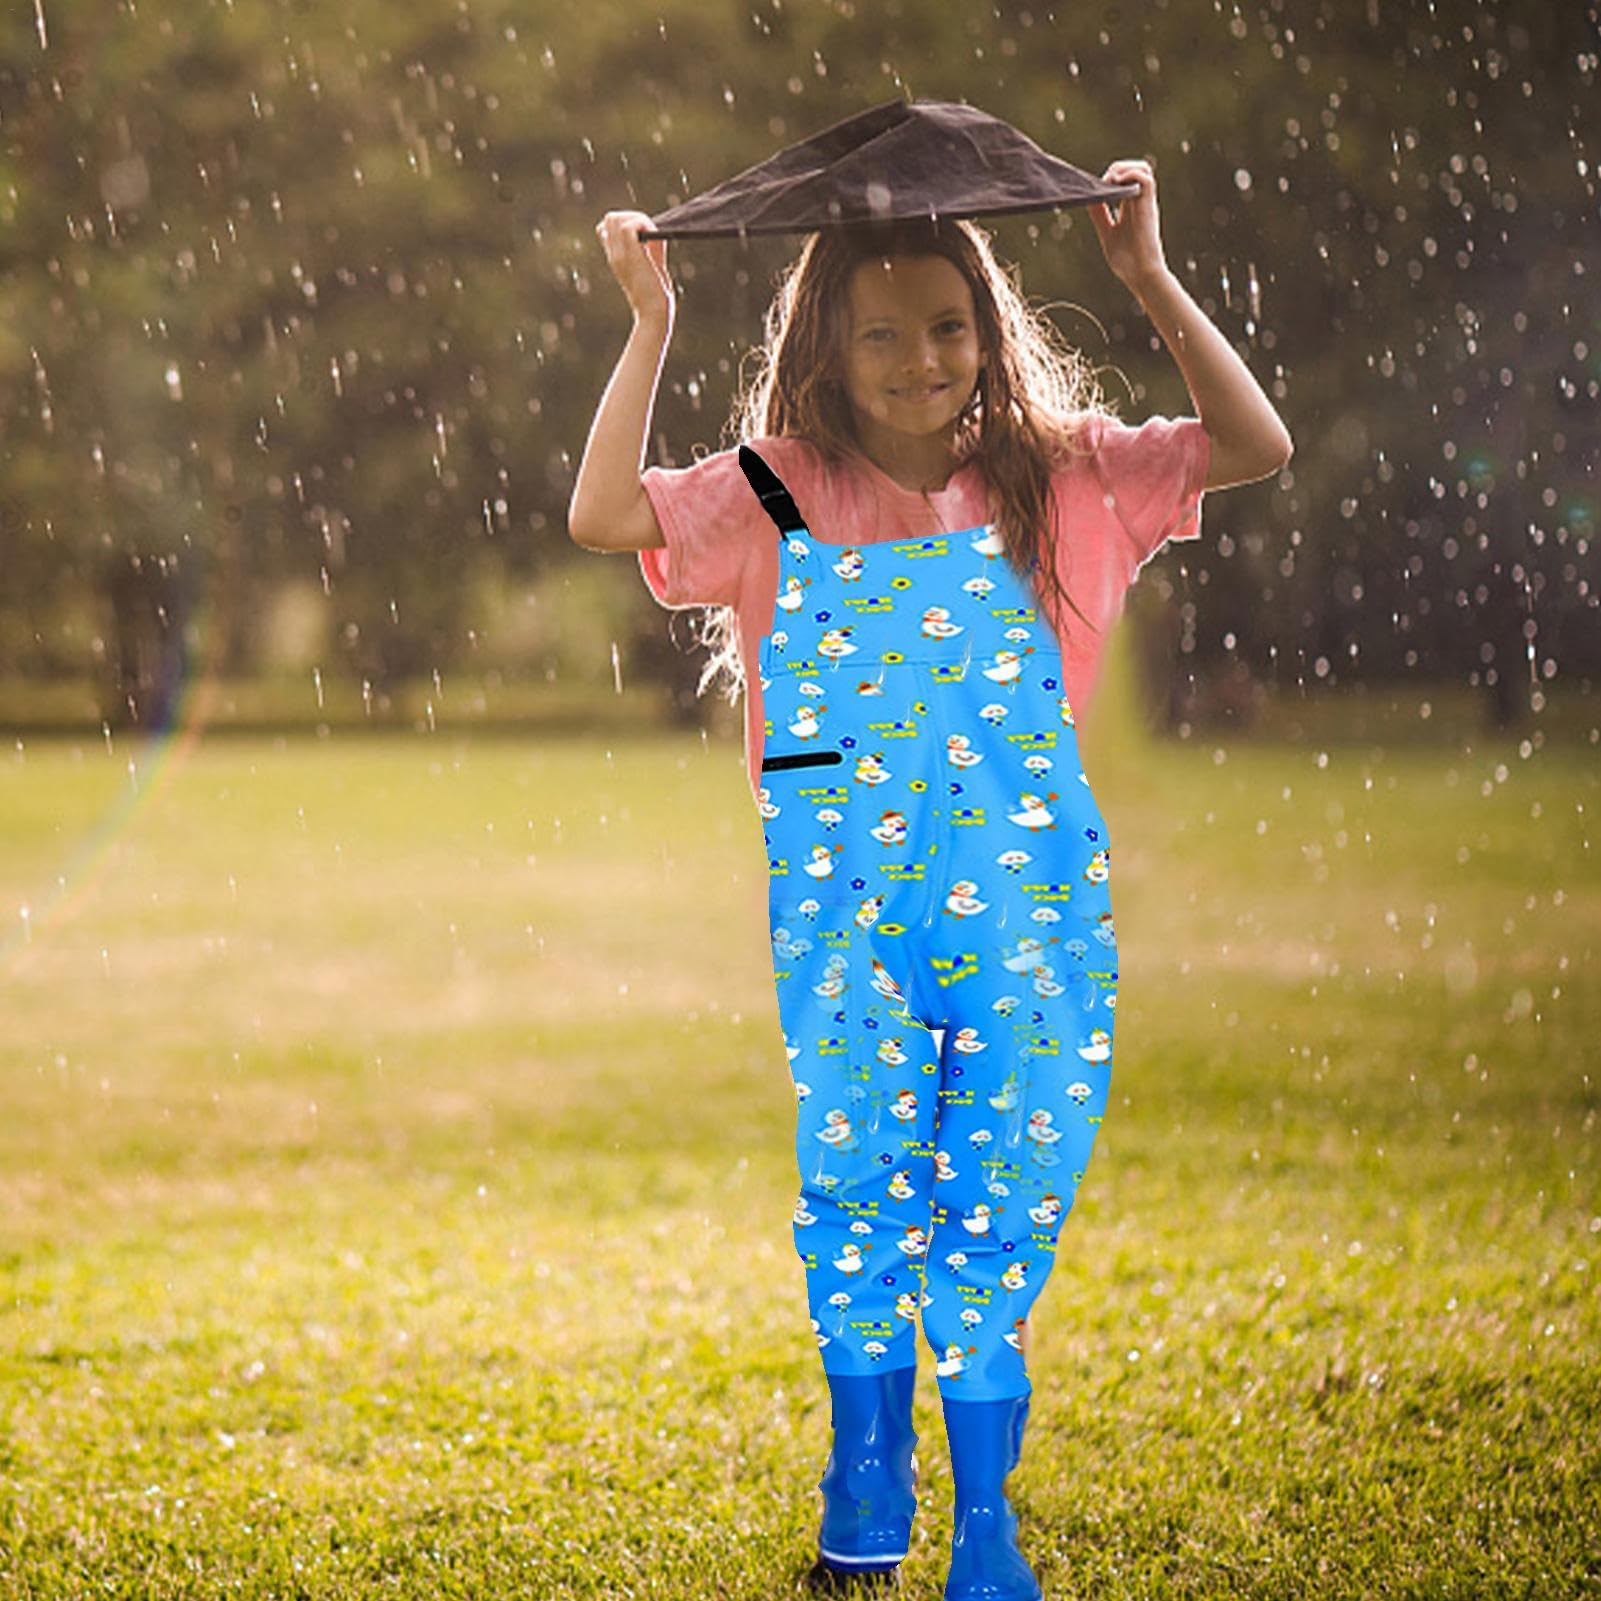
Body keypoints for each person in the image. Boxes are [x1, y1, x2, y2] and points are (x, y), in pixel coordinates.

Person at [573, 160, 1291, 1600]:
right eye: (883, 333)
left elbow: (1253, 441)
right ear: (825, 348)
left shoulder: (1068, 478)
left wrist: (1146, 271)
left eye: (950, 326)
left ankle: (983, 1523)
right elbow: (603, 516)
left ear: (990, 328)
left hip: (1030, 916)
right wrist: (647, 323)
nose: (921, 361)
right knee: (853, 1189)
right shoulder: (776, 488)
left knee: (999, 1200)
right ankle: (865, 1478)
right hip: (844, 922)